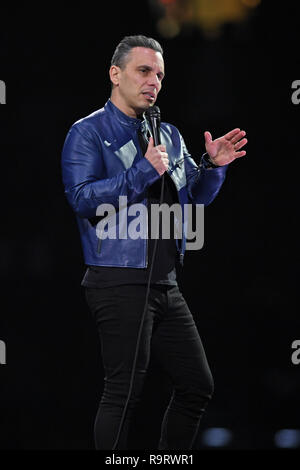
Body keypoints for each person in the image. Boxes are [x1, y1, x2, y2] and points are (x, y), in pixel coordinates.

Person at [61, 34, 247, 450]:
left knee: (197, 385)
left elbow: (193, 197)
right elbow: (81, 199)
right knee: (123, 394)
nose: (154, 82)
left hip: (164, 281)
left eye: (159, 75)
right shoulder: (87, 133)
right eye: (144, 71)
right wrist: (142, 171)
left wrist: (212, 168)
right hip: (116, 279)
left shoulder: (170, 136)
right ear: (116, 73)